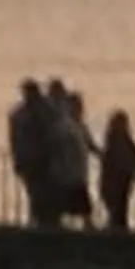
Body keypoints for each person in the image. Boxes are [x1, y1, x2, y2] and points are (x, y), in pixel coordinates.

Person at [46, 78, 96, 226]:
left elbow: (90, 144)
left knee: (77, 198)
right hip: (67, 169)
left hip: (75, 170)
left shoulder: (77, 126)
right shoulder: (64, 125)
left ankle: (83, 223)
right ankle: (60, 223)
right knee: (72, 198)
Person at [8, 80, 58, 228]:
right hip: (36, 160)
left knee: (40, 192)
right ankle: (40, 220)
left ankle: (41, 220)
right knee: (37, 192)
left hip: (40, 160)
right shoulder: (42, 111)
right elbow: (15, 139)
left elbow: (15, 139)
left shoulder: (22, 114)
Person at [98, 110, 135, 232]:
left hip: (121, 183)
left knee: (119, 212)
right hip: (115, 184)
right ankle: (117, 233)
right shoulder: (116, 142)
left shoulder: (117, 141)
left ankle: (117, 232)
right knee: (117, 212)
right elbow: (134, 159)